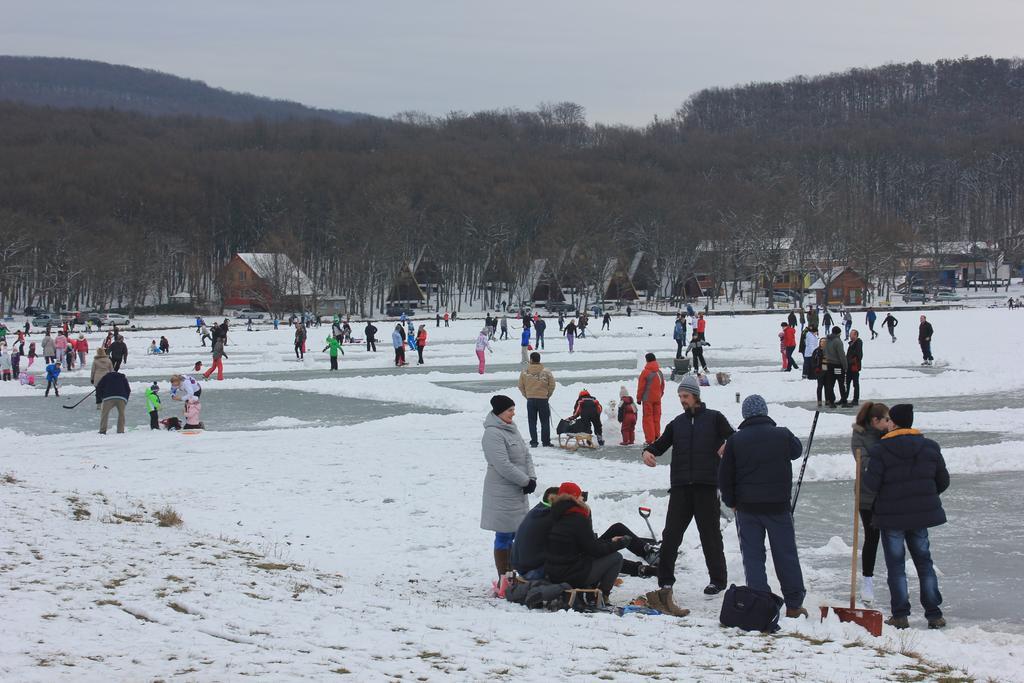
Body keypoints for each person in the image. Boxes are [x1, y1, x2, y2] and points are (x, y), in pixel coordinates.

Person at [641, 375, 734, 614]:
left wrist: (728, 445)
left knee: (710, 535)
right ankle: (665, 580)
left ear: (696, 396)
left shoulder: (714, 418)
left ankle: (718, 580)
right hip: (681, 487)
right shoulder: (677, 423)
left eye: (685, 396)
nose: (682, 400)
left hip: (706, 486)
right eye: (680, 396)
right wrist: (647, 452)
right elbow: (659, 445)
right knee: (671, 534)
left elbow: (734, 437)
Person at [719, 395, 808, 618]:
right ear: (765, 412)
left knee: (753, 557)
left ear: (745, 415)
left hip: (747, 508)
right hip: (778, 506)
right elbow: (797, 451)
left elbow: (724, 476)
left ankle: (760, 603)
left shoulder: (736, 441)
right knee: (786, 554)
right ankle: (794, 604)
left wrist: (732, 502)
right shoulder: (782, 434)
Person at [864, 404, 949, 630]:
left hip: (891, 518)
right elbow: (943, 481)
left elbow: (871, 485)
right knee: (924, 562)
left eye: (890, 419)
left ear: (894, 422)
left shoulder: (881, 450)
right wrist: (924, 497)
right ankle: (934, 614)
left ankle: (900, 615)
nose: (888, 423)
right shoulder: (929, 447)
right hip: (919, 518)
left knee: (896, 566)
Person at [480, 395, 536, 596]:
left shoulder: (512, 428)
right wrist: (525, 480)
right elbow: (502, 465)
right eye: (510, 410)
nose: (513, 413)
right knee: (504, 535)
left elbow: (526, 454)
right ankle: (504, 578)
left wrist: (532, 477)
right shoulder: (492, 434)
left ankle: (514, 575)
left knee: (517, 534)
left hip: (518, 491)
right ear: (499, 412)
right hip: (502, 492)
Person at [544, 482, 630, 602]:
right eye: (580, 495)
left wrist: (609, 541)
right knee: (616, 558)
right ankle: (601, 596)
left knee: (592, 559)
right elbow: (594, 550)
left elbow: (584, 545)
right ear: (574, 498)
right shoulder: (578, 518)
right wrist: (619, 544)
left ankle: (592, 593)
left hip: (553, 573)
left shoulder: (555, 515)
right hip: (570, 575)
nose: (583, 498)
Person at [850, 401, 891, 604]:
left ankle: (896, 582)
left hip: (889, 494)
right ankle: (867, 581)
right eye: (886, 419)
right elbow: (865, 463)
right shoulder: (859, 435)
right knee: (872, 537)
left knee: (892, 538)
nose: (889, 422)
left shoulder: (890, 433)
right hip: (867, 495)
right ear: (875, 421)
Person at [518, 351, 555, 448]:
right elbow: (552, 385)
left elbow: (520, 386)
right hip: (543, 399)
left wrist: (527, 395)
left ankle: (534, 442)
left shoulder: (525, 372)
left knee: (532, 421)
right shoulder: (546, 371)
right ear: (539, 360)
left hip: (530, 400)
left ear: (531, 360)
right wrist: (547, 395)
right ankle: (546, 442)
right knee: (545, 421)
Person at [637, 353, 666, 445]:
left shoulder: (645, 372)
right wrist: (660, 395)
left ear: (647, 360)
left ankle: (650, 439)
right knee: (656, 418)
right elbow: (662, 385)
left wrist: (639, 398)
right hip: (657, 398)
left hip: (647, 399)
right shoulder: (659, 372)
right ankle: (657, 436)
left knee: (648, 419)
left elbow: (641, 387)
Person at [96, 369, 130, 434]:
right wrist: (126, 399)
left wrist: (100, 398)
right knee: (121, 414)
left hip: (108, 397)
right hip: (121, 397)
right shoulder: (123, 377)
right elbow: (128, 389)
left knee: (104, 414)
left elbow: (99, 387)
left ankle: (102, 431)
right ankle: (120, 430)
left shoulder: (106, 377)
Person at [823, 326, 849, 408]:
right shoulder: (838, 341)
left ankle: (831, 401)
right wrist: (845, 365)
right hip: (837, 365)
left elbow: (824, 351)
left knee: (830, 384)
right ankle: (844, 401)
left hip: (829, 365)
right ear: (838, 333)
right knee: (841, 383)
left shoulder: (826, 340)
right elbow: (841, 355)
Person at [846, 330, 863, 406]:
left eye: (851, 334)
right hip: (849, 366)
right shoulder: (851, 343)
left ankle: (855, 399)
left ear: (855, 335)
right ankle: (844, 398)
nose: (850, 336)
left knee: (855, 384)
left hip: (854, 366)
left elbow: (859, 355)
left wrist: (850, 361)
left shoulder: (858, 343)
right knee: (847, 383)